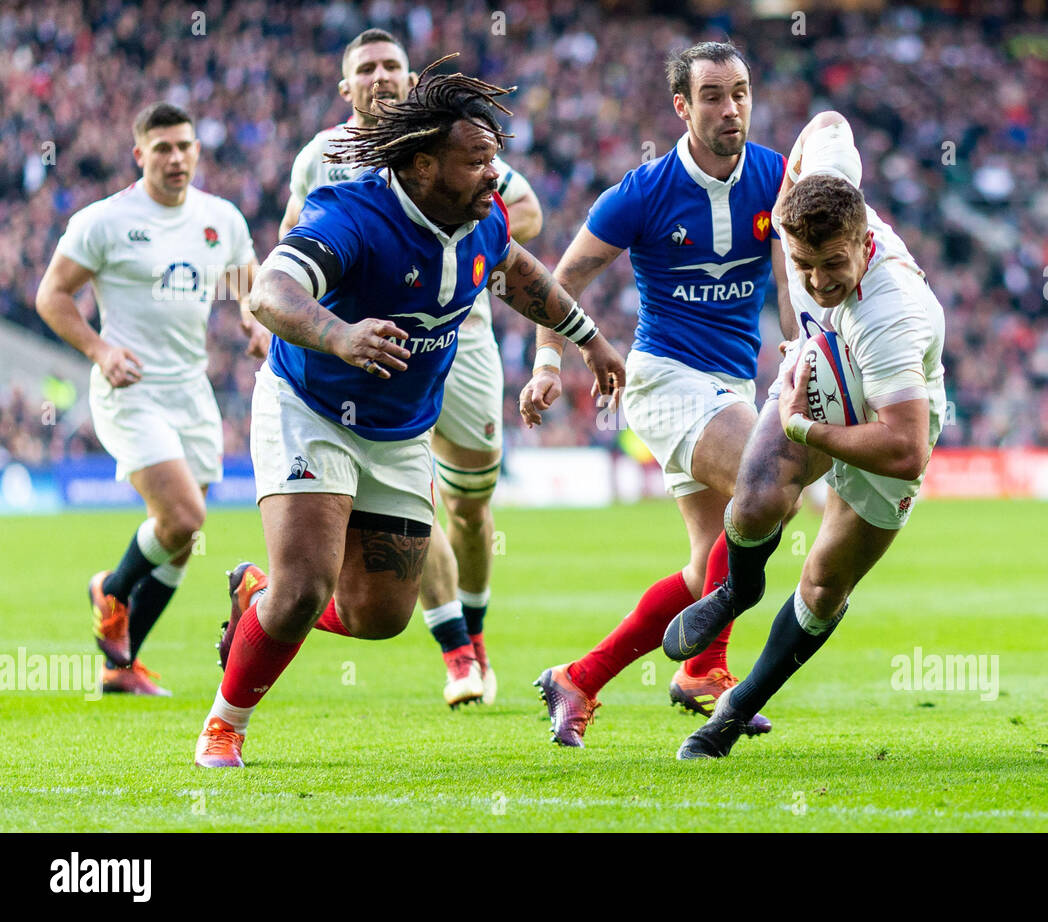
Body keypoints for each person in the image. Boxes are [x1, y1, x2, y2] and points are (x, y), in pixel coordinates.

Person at [194, 60, 624, 768]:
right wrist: (340, 334)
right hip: (313, 406)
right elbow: (270, 292)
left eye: (495, 158)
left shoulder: (482, 218)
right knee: (306, 587)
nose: (495, 175)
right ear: (423, 165)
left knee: (380, 617)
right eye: (477, 161)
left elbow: (518, 273)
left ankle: (255, 596)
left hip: (399, 430)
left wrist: (590, 342)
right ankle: (225, 725)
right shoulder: (354, 213)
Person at [518, 41, 795, 747]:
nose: (730, 108)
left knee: (710, 562)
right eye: (712, 95)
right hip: (664, 379)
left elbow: (789, 283)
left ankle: (583, 677)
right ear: (681, 105)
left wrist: (797, 356)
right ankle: (706, 665)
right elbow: (558, 282)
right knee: (765, 488)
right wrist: (550, 360)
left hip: (734, 384)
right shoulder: (641, 192)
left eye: (740, 92)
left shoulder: (776, 176)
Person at [664, 113, 947, 759]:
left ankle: (732, 713)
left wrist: (804, 427)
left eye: (832, 265)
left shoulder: (889, 314)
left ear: (863, 240)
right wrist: (793, 176)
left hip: (889, 411)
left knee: (822, 586)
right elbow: (828, 121)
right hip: (822, 365)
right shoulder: (822, 187)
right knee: (756, 499)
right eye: (802, 264)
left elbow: (906, 450)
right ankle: (738, 588)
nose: (817, 281)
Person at [280, 28, 546, 708]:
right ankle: (458, 650)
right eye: (365, 68)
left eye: (391, 64)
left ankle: (474, 631)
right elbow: (290, 240)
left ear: (409, 76)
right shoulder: (324, 157)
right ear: (347, 88)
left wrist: (464, 240)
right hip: (374, 346)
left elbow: (528, 212)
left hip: (464, 334)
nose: (380, 76)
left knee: (471, 505)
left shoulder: (455, 142)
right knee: (413, 486)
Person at [35, 102, 268, 697]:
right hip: (130, 389)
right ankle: (110, 589)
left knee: (182, 538)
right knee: (186, 517)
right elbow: (52, 296)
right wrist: (99, 349)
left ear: (197, 151)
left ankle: (122, 666)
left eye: (184, 146)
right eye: (162, 148)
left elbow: (248, 283)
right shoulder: (104, 221)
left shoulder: (221, 218)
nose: (175, 157)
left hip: (193, 392)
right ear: (139, 155)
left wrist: (252, 321)